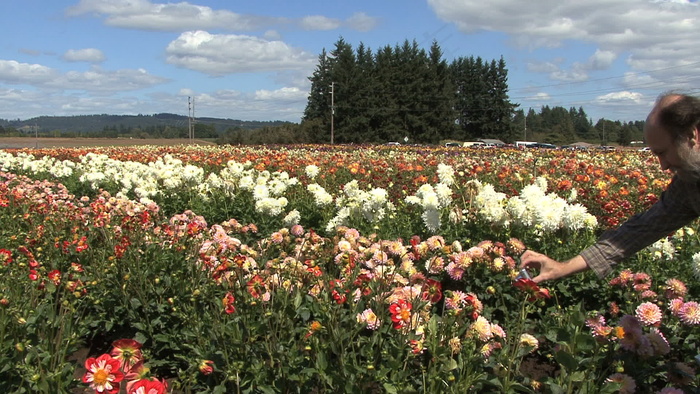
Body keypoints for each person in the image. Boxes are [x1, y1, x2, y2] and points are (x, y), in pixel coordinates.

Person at [520, 92, 700, 283]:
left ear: (691, 135)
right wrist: (561, 267)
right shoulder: (689, 183)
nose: (662, 165)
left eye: (663, 152)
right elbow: (641, 229)